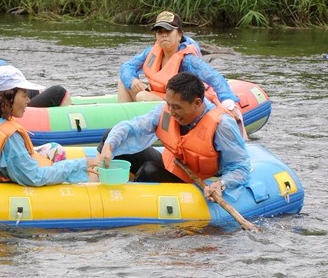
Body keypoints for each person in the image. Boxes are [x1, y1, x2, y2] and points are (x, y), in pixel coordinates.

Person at [97, 72, 250, 202]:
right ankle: (95, 187)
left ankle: (128, 204)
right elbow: (133, 127)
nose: (171, 111)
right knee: (111, 136)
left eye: (177, 107)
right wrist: (109, 146)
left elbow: (240, 167)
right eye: (169, 104)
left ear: (197, 103)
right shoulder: (165, 111)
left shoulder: (222, 125)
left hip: (196, 182)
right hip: (171, 165)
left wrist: (221, 184)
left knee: (148, 171)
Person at [0, 65, 98, 185]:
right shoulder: (10, 138)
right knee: (83, 173)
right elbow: (36, 177)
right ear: (7, 97)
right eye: (24, 95)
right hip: (4, 184)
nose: (28, 100)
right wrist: (78, 164)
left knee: (55, 148)